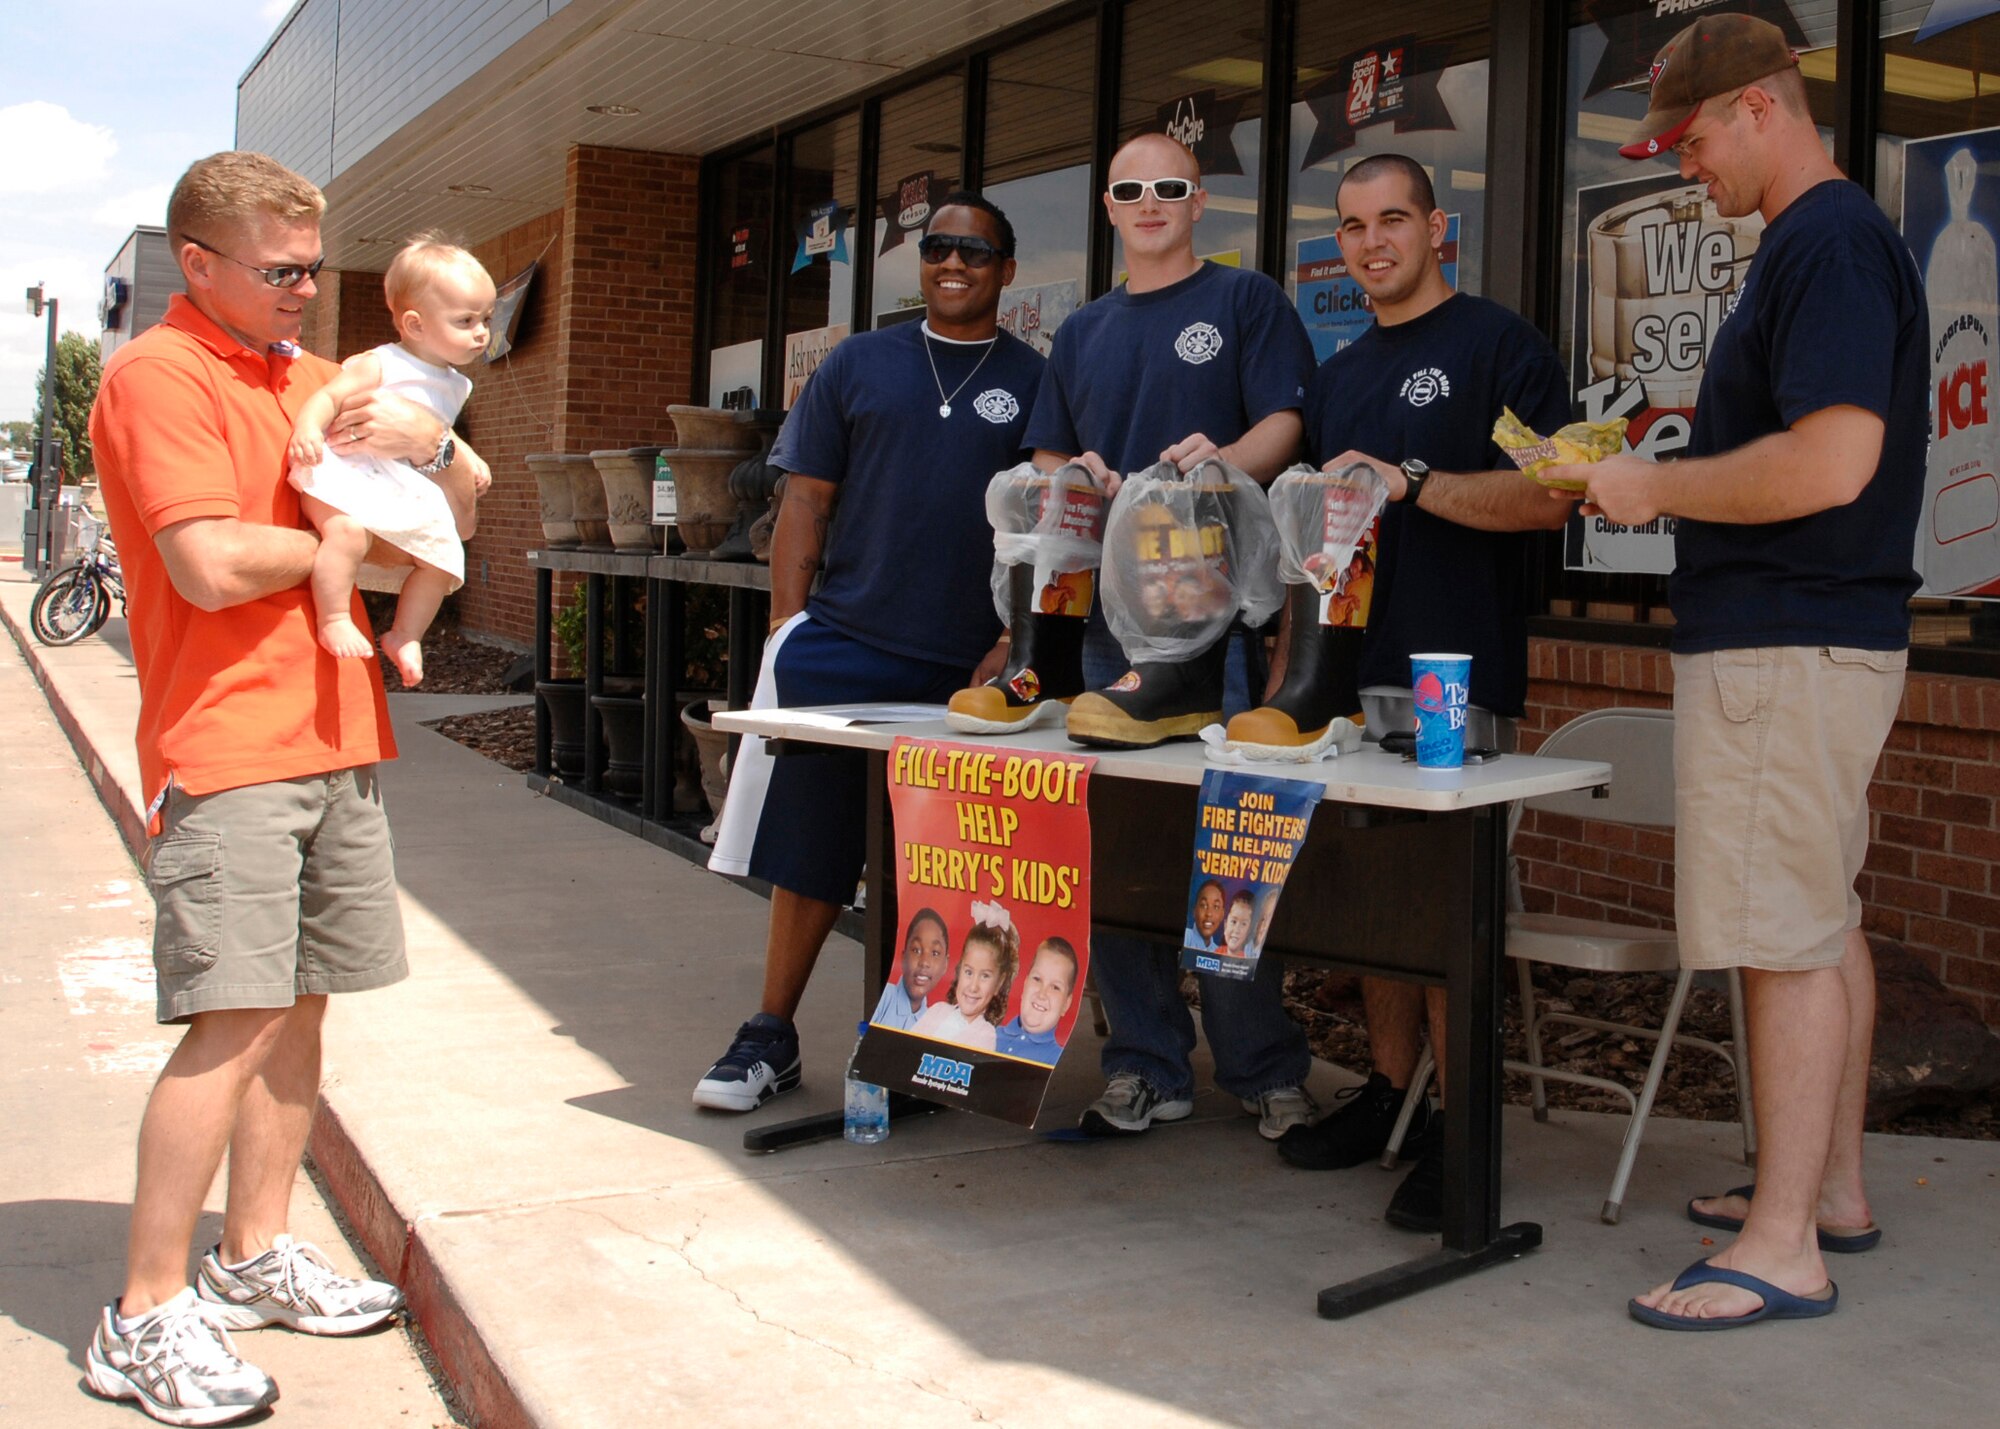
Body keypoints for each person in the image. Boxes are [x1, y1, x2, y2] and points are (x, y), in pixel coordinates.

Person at [82, 151, 483, 1426]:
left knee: (303, 1009)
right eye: (279, 271)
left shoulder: (315, 376)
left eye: (316, 267)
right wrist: (359, 546)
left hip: (339, 733)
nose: (308, 291)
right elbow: (203, 562)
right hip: (230, 744)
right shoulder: (159, 374)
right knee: (233, 1016)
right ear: (195, 262)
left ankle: (252, 1255)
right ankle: (141, 1314)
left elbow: (455, 478)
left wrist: (440, 448)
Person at [1547, 14, 1925, 1330]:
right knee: (1819, 918)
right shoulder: (1830, 243)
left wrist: (1652, 484)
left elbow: (1831, 464)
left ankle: (1778, 1249)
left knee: (1777, 941)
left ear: (1761, 107)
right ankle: (1827, 1196)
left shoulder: (1822, 241)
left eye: (1694, 138)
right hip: (1818, 639)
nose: (1687, 166)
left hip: (1780, 639)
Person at [1269, 152, 1571, 1236]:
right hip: (1355, 677)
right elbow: (1318, 547)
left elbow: (1548, 499)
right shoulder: (1340, 375)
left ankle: (1457, 1124)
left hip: (1457, 676)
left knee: (1443, 914)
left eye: (1390, 219)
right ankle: (1392, 1093)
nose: (1369, 242)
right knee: (1368, 909)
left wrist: (1417, 483)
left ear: (1438, 228)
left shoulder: (1498, 346)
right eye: (1349, 227)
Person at [696, 193, 1040, 1112]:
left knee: (943, 860)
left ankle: (919, 1042)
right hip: (844, 647)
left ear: (1008, 269)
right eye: (937, 247)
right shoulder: (858, 361)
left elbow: (1049, 525)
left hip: (966, 669)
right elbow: (803, 503)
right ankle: (769, 1033)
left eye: (975, 249)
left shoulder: (1037, 378)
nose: (953, 261)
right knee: (810, 848)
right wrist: (787, 626)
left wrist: (1012, 640)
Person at [1025, 131, 1319, 1140]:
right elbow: (1051, 450)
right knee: (1121, 849)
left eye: (1168, 187)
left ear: (1198, 203)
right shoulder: (1081, 332)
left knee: (1235, 838)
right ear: (1107, 208)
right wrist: (1079, 478)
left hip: (1222, 620)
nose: (1148, 202)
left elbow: (1283, 422)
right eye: (1128, 189)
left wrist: (1221, 464)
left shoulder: (1245, 302)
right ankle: (1145, 1062)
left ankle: (1260, 1066)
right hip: (1114, 628)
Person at [287, 237, 496, 686]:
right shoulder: (381, 362)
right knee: (345, 533)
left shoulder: (455, 383)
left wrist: (467, 455)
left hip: (394, 479)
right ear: (415, 325)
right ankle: (335, 617)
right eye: (465, 320)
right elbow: (328, 396)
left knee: (443, 557)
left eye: (486, 319)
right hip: (344, 472)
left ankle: (405, 633)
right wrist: (307, 428)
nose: (481, 332)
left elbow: (440, 425)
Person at [912, 917, 1020, 1053]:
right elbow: (907, 1048)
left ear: (999, 983)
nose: (973, 987)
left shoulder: (985, 1035)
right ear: (959, 970)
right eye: (968, 972)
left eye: (985, 976)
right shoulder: (937, 1010)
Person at [995, 938, 1080, 1065]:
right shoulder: (987, 1033)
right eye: (1037, 979)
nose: (1042, 993)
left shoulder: (1059, 1060)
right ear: (1025, 985)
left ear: (1066, 1005)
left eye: (1055, 987)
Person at [872, 909, 952, 1030]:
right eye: (916, 950)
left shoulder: (932, 1024)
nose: (924, 962)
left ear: (945, 964)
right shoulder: (883, 997)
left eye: (935, 953)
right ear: (903, 957)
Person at [1184, 877, 1226, 949]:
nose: (1209, 913)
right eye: (1204, 905)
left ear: (1222, 915)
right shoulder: (1186, 937)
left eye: (1216, 907)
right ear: (1194, 911)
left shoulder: (1217, 951)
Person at [1217, 891, 1254, 961]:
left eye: (1243, 924)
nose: (1237, 930)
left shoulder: (1247, 959)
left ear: (1249, 931)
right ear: (1225, 926)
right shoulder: (1217, 952)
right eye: (1233, 922)